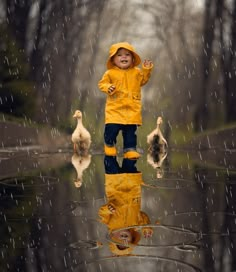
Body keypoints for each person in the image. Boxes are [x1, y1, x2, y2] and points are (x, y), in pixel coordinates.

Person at [98, 42, 153, 159]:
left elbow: (143, 80)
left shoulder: (137, 72)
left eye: (127, 54)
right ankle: (109, 144)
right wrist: (108, 87)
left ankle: (129, 149)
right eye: (119, 55)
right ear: (113, 60)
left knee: (130, 132)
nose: (123, 57)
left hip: (132, 109)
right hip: (115, 109)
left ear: (132, 59)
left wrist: (146, 70)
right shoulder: (110, 73)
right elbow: (102, 84)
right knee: (112, 129)